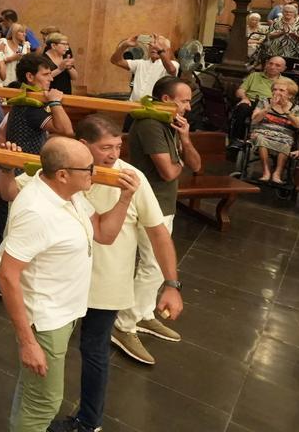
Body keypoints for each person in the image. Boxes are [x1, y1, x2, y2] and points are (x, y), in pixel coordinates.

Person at [49, 115, 183, 432]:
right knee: (48, 349)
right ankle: (41, 413)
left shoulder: (131, 177)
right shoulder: (65, 174)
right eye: (105, 147)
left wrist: (172, 284)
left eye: (118, 145)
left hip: (105, 285)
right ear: (83, 146)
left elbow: (159, 233)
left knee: (94, 351)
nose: (114, 154)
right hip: (62, 281)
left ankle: (88, 421)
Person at [0, 137, 140, 432]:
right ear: (62, 173)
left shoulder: (69, 194)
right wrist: (28, 342)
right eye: (88, 168)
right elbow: (7, 275)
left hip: (65, 310)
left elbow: (103, 233)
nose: (96, 171)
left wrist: (125, 198)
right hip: (46, 319)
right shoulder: (37, 211)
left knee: (33, 392)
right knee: (45, 402)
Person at [112, 76, 201, 366]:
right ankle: (123, 325)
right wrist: (179, 163)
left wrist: (185, 139)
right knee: (152, 265)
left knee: (153, 266)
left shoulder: (172, 125)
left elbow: (196, 166)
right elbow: (168, 172)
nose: (188, 107)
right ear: (166, 100)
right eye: (184, 100)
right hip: (149, 202)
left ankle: (143, 313)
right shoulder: (150, 125)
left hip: (163, 202)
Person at [0, 52, 73, 255]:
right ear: (30, 77)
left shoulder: (25, 99)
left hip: (18, 168)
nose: (51, 78)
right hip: (22, 171)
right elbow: (66, 129)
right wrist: (55, 103)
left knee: (8, 209)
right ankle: (0, 254)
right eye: (45, 74)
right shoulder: (31, 106)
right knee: (14, 214)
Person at [248, 76, 299, 183]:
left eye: (281, 90)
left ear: (290, 95)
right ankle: (266, 171)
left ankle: (277, 173)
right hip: (262, 131)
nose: (276, 92)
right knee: (261, 138)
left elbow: (298, 125)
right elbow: (254, 119)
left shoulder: (295, 108)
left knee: (287, 143)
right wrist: (268, 107)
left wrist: (286, 111)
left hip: (284, 135)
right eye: (275, 89)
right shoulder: (264, 102)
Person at [110, 34, 177, 102]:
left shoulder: (174, 64)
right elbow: (116, 61)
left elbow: (172, 70)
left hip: (154, 109)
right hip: (133, 106)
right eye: (151, 45)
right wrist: (124, 45)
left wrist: (160, 51)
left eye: (158, 45)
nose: (154, 47)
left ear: (167, 50)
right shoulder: (140, 63)